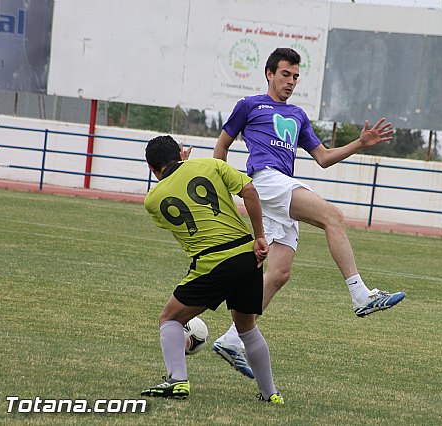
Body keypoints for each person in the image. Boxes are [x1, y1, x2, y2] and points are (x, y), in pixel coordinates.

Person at [209, 47, 407, 379]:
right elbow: (222, 145)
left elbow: (324, 157)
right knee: (333, 217)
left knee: (279, 274)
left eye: (296, 76)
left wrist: (359, 143)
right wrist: (225, 185)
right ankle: (360, 294)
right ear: (269, 73)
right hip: (266, 180)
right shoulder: (249, 105)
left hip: (281, 185)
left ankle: (231, 339)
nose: (291, 81)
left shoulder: (298, 115)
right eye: (285, 74)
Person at [140, 135, 283, 404]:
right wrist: (260, 236)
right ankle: (270, 394)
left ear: (151, 168)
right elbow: (249, 190)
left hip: (212, 261)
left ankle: (177, 381)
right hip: (247, 255)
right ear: (182, 153)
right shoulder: (212, 165)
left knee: (170, 318)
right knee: (247, 328)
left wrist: (180, 170)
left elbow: (180, 199)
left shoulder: (152, 200)